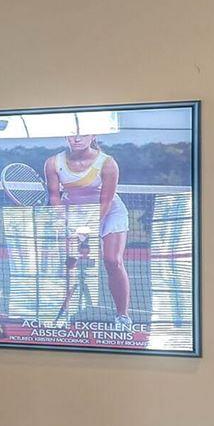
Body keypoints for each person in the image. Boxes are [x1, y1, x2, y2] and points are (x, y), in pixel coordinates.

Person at [42, 131, 130, 325]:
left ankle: (122, 316)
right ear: (65, 137)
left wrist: (87, 228)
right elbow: (55, 196)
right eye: (72, 135)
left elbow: (106, 201)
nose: (77, 139)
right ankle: (60, 314)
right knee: (68, 263)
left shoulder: (108, 163)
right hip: (73, 213)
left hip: (109, 212)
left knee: (113, 261)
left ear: (93, 136)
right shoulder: (53, 163)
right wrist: (65, 220)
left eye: (83, 135)